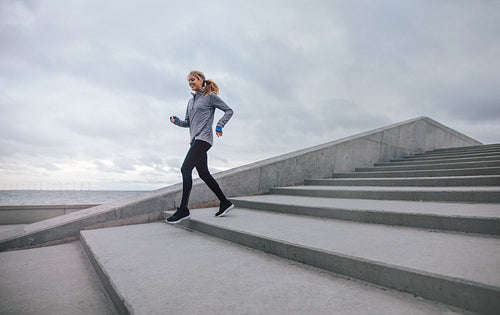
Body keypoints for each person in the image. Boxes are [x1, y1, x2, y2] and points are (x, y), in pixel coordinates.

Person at [166, 70, 234, 224]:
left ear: (201, 80)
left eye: (193, 79)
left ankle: (183, 210)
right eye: (189, 80)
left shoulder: (209, 96)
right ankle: (225, 202)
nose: (191, 82)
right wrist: (176, 121)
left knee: (185, 169)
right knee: (203, 174)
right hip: (194, 140)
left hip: (204, 139)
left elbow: (229, 110)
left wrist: (219, 125)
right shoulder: (191, 101)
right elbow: (187, 122)